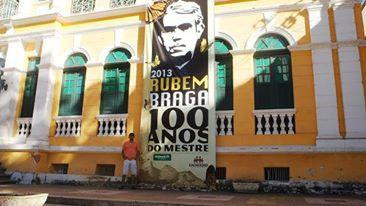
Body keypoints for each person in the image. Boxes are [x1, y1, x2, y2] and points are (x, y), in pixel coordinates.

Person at [153, 0, 207, 77]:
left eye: (184, 27)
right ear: (160, 38)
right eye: (168, 30)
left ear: (199, 29)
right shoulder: (155, 72)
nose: (176, 37)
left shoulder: (206, 65)